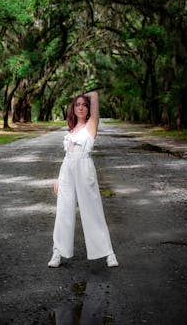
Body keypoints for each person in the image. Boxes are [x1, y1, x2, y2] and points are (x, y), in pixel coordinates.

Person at [48, 91, 119, 268]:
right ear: (73, 109)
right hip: (67, 169)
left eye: (84, 105)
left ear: (88, 109)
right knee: (63, 211)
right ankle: (58, 252)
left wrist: (86, 96)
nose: (80, 107)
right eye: (77, 104)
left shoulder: (91, 125)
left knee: (93, 210)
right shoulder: (71, 129)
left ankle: (108, 253)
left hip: (84, 168)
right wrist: (58, 179)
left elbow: (94, 95)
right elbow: (66, 156)